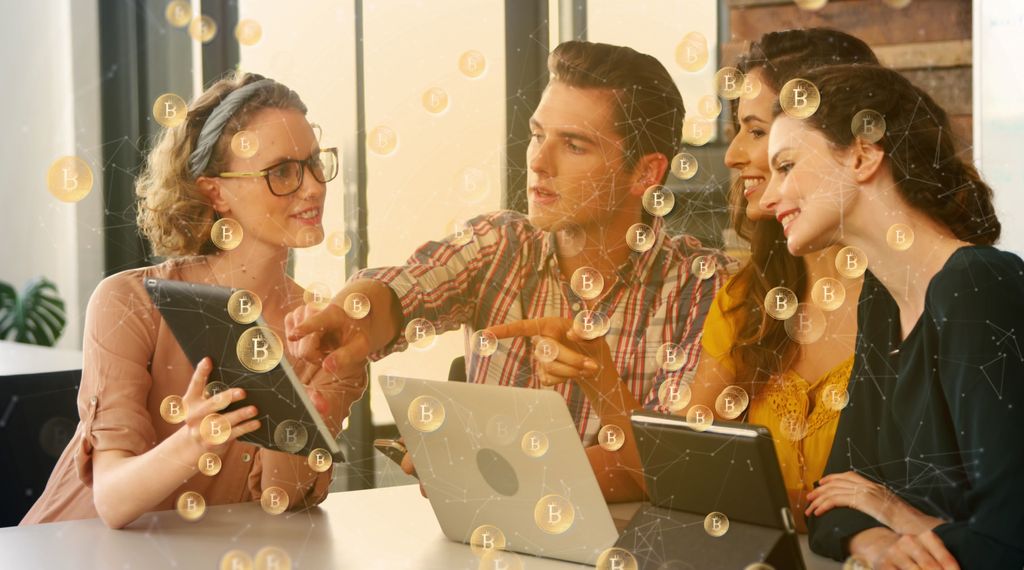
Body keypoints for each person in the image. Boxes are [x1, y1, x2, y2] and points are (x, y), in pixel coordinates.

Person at [286, 41, 736, 502]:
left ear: (645, 174)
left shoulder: (703, 288)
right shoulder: (499, 245)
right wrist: (351, 313)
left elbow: (674, 465)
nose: (538, 162)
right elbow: (406, 288)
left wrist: (479, 467)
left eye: (574, 145)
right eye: (538, 135)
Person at [759, 64, 1024, 568]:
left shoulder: (976, 286)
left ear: (863, 155)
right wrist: (878, 543)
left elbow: (1014, 545)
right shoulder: (882, 300)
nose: (765, 198)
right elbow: (831, 500)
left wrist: (889, 510)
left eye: (786, 166)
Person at [21, 73, 365, 529]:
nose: (315, 187)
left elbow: (283, 504)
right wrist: (195, 440)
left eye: (315, 163)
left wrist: (297, 405)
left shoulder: (329, 331)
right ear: (215, 191)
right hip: (72, 552)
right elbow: (112, 499)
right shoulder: (128, 302)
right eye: (282, 171)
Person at [678, 28, 880, 533]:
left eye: (756, 130)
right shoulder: (747, 297)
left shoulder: (917, 299)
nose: (732, 155)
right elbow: (686, 462)